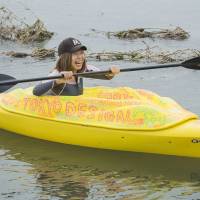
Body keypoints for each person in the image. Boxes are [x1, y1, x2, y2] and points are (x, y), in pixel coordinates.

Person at [33, 37, 120, 96]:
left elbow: (106, 76)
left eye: (81, 53)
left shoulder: (84, 69)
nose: (80, 57)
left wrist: (111, 71)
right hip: (55, 114)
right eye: (75, 54)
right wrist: (59, 81)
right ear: (65, 57)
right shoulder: (57, 73)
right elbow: (36, 91)